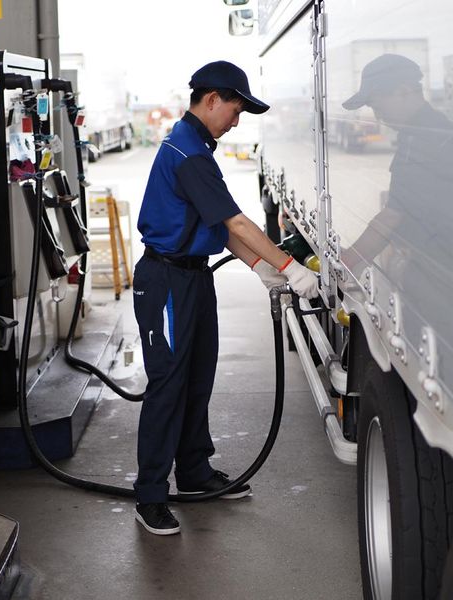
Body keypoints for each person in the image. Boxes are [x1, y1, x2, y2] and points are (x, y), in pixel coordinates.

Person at [131, 61, 319, 535]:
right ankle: (150, 495)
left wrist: (260, 267)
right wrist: (288, 266)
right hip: (166, 282)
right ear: (212, 99)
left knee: (198, 379)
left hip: (193, 278)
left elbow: (218, 223)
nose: (236, 122)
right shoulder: (188, 152)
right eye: (235, 110)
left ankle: (194, 472)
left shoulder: (196, 147)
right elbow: (236, 221)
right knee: (168, 387)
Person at [340, 54, 453, 289]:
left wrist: (347, 260)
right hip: (449, 262)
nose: (378, 117)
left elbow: (392, 216)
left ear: (404, 91)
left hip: (447, 270)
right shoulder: (431, 128)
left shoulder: (423, 139)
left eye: (378, 106)